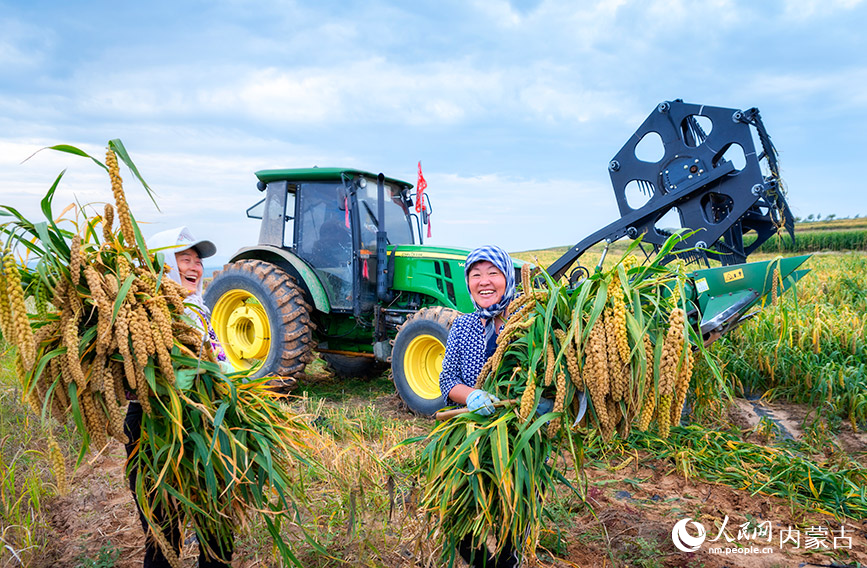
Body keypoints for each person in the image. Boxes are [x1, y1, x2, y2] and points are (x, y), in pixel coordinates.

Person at [124, 226, 232, 568]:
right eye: (184, 258)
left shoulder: (198, 309)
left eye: (198, 261)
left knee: (217, 527)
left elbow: (219, 361)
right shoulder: (141, 314)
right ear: (161, 263)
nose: (195, 267)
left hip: (208, 419)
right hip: (154, 424)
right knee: (162, 533)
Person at [438, 244, 533, 568]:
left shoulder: (529, 323)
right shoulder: (463, 326)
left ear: (507, 276)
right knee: (461, 515)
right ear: (468, 283)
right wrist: (472, 396)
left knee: (511, 511)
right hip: (468, 436)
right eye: (475, 274)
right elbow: (447, 379)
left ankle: (509, 558)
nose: (484, 281)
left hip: (516, 439)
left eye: (493, 272)